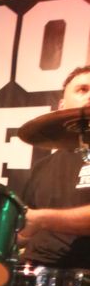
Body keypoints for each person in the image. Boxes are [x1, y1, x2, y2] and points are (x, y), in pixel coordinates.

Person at [19, 65, 90, 267]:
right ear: (61, 106)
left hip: (79, 276)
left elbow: (37, 219)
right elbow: (26, 229)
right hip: (31, 272)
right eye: (82, 89)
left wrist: (42, 219)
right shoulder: (43, 166)